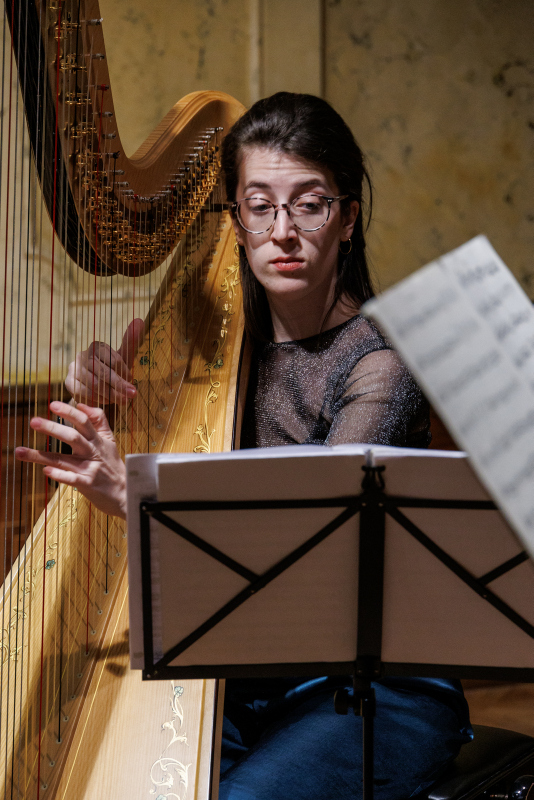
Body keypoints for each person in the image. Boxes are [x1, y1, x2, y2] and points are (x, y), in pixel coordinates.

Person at [16, 92, 472, 799]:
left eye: (309, 205)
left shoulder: (381, 367)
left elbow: (317, 570)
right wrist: (104, 401)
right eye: (259, 206)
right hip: (242, 677)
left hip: (369, 688)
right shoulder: (208, 352)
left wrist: (138, 496)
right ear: (234, 221)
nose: (282, 232)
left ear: (348, 218)